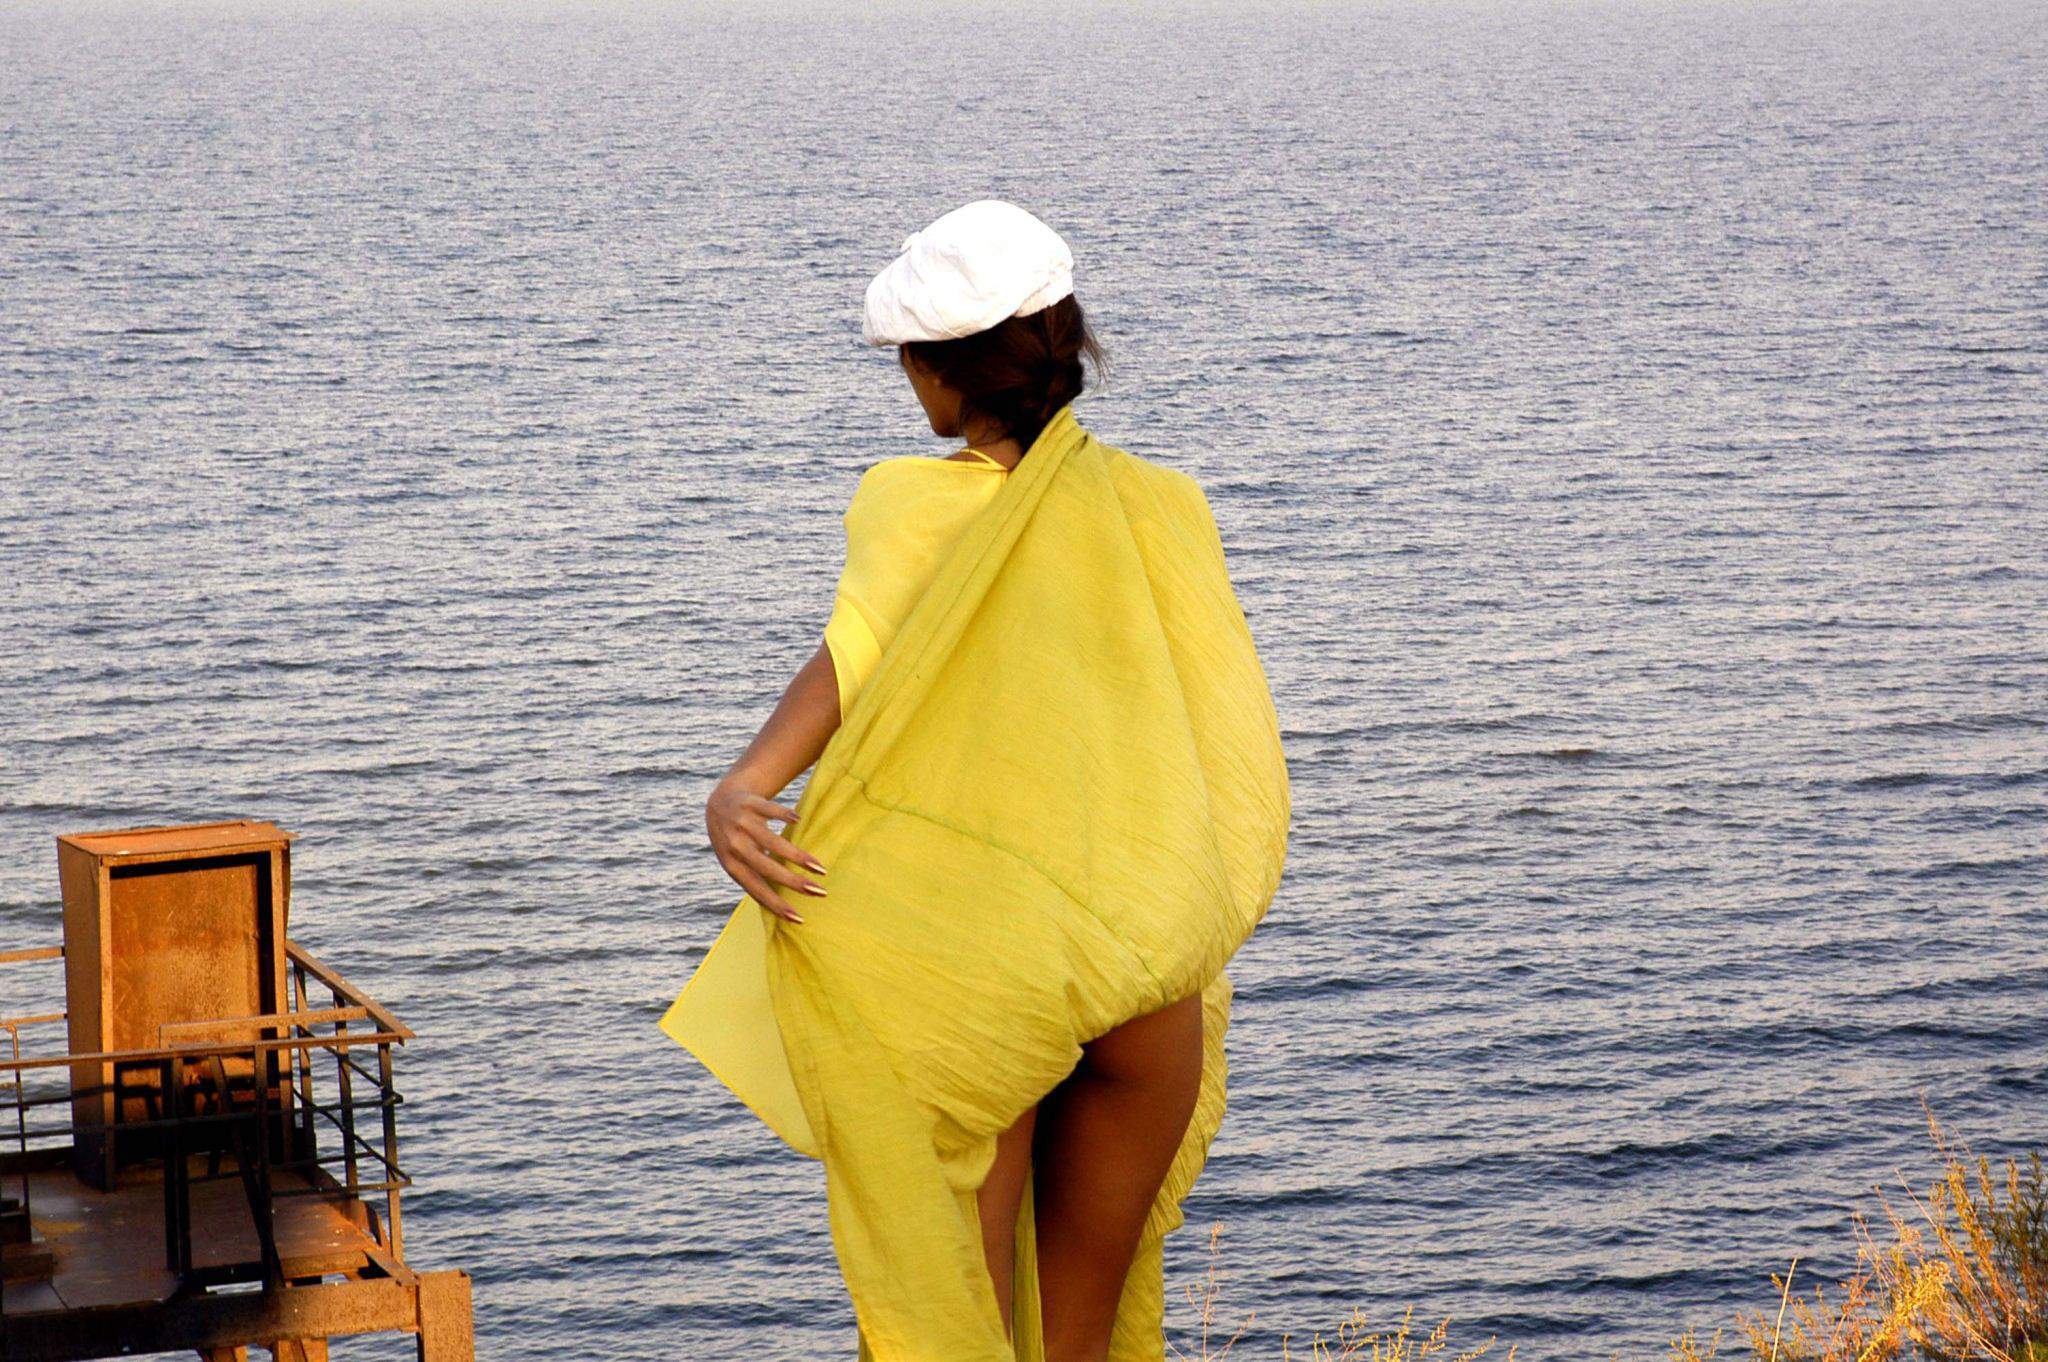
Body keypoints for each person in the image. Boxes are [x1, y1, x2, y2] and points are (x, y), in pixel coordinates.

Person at [661, 199, 1289, 1362]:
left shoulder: (916, 500)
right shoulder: (1160, 507)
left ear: (938, 373)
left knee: (969, 1330)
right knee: (1079, 1343)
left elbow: (855, 651)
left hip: (990, 978)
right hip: (1144, 963)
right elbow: (1214, 726)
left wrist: (742, 785)